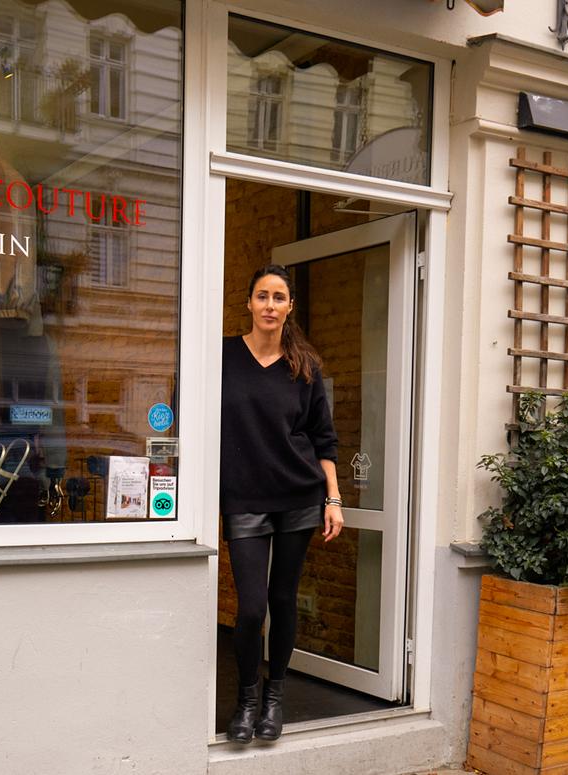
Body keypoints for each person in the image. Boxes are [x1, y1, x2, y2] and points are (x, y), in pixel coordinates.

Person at [220, 264, 343, 744]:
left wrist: (332, 499)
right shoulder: (223, 357)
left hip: (298, 497)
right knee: (250, 609)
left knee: (283, 600)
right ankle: (246, 700)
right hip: (243, 499)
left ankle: (274, 699)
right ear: (249, 303)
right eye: (262, 296)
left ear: (290, 307)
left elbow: (323, 440)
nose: (270, 305)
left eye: (279, 297)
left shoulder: (304, 368)